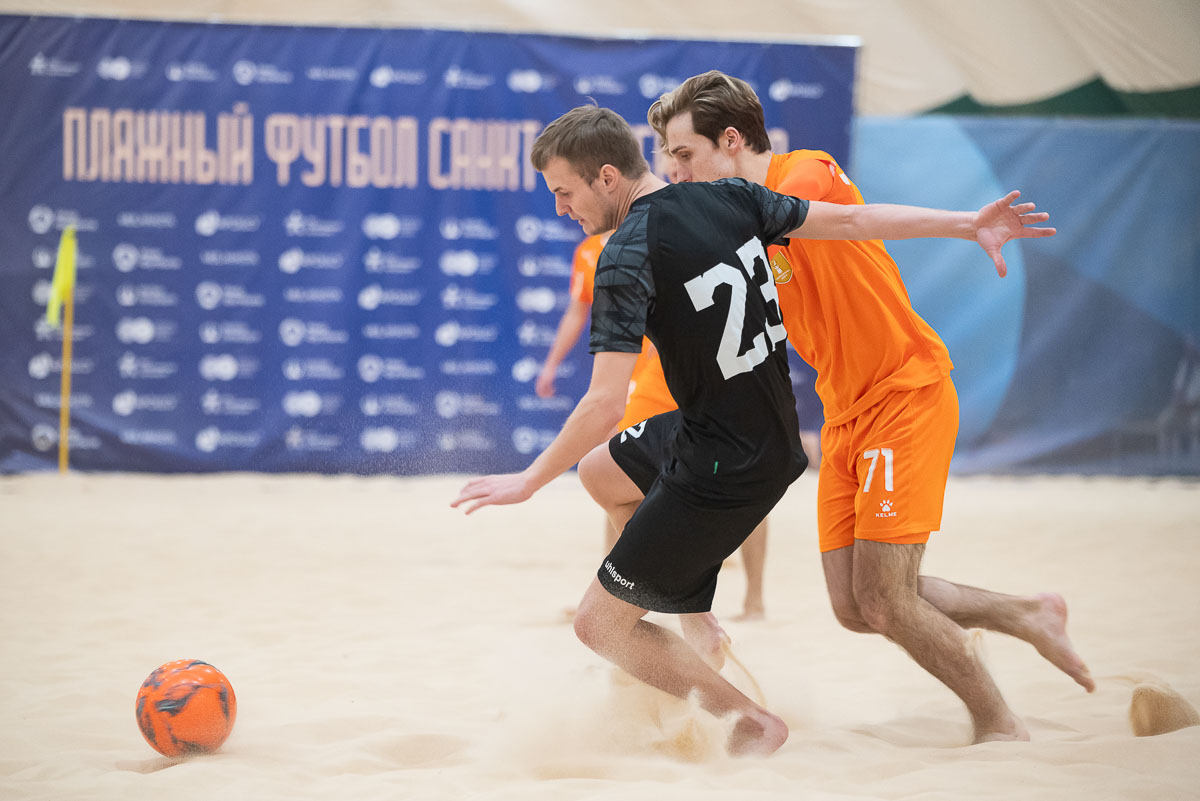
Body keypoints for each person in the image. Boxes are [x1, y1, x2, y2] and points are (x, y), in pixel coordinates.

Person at [452, 103, 1055, 755]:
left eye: (563, 192)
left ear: (605, 177)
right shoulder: (731, 197)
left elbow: (602, 403)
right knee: (601, 471)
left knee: (598, 626)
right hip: (760, 430)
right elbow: (854, 220)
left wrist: (528, 480)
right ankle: (692, 608)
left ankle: (749, 721)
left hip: (725, 459)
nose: (560, 208)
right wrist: (967, 223)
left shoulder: (623, 256)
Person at [626, 70, 1094, 742]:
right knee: (854, 604)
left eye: (684, 154)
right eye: (667, 158)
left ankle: (999, 724)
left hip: (904, 391)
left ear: (731, 140)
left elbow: (852, 219)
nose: (675, 170)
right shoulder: (733, 223)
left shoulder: (804, 173)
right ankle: (1026, 613)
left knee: (886, 598)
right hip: (845, 411)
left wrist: (968, 225)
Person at [536, 231, 770, 620]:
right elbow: (577, 311)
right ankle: (616, 590)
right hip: (640, 378)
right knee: (616, 475)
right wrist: (550, 364)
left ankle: (753, 599)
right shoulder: (590, 251)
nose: (566, 209)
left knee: (747, 479)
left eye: (570, 199)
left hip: (692, 370)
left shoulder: (664, 234)